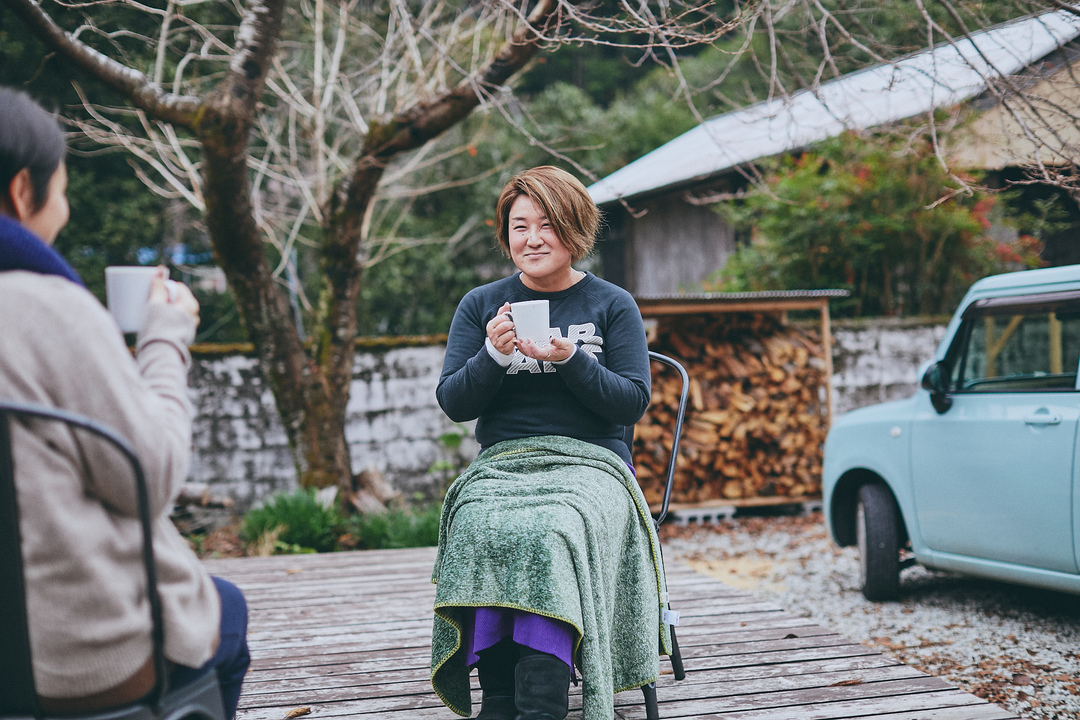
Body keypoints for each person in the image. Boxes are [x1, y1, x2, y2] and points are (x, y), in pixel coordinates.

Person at [0, 87, 249, 716]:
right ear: (23, 191)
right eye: (61, 191)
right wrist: (165, 340)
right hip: (70, 666)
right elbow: (151, 477)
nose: (63, 208)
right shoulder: (42, 307)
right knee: (229, 612)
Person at [430, 166, 670, 720]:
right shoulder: (482, 306)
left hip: (593, 466)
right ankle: (499, 692)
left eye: (546, 224)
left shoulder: (612, 305)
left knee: (553, 526)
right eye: (519, 226)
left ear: (575, 228)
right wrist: (492, 356)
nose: (532, 238)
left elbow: (631, 402)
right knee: (475, 521)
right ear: (506, 235)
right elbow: (455, 403)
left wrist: (572, 360)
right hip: (504, 465)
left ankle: (541, 697)